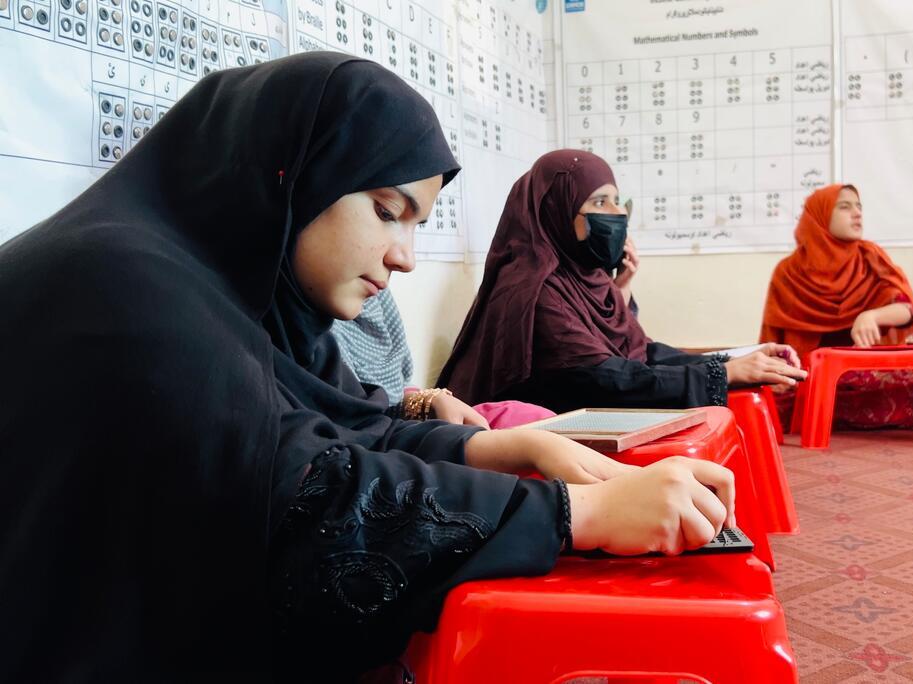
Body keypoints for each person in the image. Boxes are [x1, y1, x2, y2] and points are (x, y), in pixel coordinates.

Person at [0, 54, 738, 681]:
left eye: (417, 224)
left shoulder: (245, 292)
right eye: (387, 211)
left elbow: (341, 424)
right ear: (299, 175)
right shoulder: (118, 286)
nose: (405, 256)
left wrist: (505, 446)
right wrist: (578, 514)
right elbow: (302, 498)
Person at [437, 149, 805, 413]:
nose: (617, 215)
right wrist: (722, 374)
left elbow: (642, 354)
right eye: (599, 203)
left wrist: (734, 358)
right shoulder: (533, 288)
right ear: (558, 213)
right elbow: (603, 378)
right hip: (531, 442)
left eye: (618, 202)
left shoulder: (586, 279)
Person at [760, 183, 913, 429]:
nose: (857, 213)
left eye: (859, 206)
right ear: (819, 217)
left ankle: (824, 414)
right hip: (811, 375)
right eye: (845, 207)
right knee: (774, 397)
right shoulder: (789, 272)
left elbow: (906, 311)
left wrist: (872, 316)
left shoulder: (869, 257)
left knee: (912, 382)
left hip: (866, 369)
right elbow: (777, 345)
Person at [331, 288, 554, 428]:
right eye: (385, 214)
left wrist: (426, 400)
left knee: (528, 417)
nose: (406, 260)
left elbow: (395, 388)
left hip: (405, 426)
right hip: (385, 443)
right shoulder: (531, 286)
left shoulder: (376, 296)